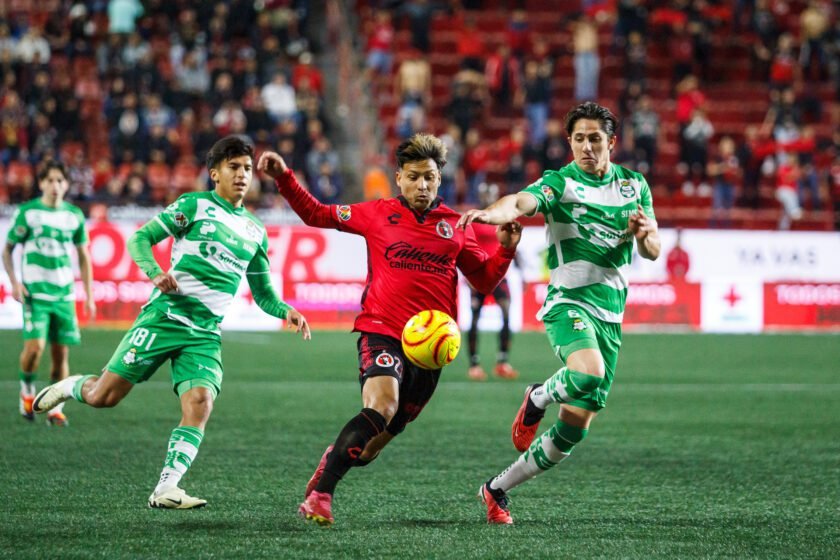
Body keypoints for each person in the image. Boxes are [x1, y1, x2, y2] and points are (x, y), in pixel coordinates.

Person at [32, 136, 311, 509]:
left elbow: (263, 294)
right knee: (104, 397)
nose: (243, 175)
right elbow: (141, 239)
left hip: (205, 333)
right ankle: (72, 385)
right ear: (214, 173)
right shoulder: (194, 206)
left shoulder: (255, 231)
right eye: (234, 167)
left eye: (247, 168)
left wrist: (286, 311)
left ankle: (167, 487)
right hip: (166, 316)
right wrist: (155, 272)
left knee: (200, 400)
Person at [258, 133, 522, 525]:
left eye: (430, 178)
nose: (422, 185)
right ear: (398, 177)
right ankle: (321, 496)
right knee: (381, 406)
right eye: (414, 177)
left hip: (432, 350)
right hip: (381, 330)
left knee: (369, 449)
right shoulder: (376, 213)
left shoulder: (455, 225)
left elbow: (483, 282)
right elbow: (316, 213)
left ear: (440, 179)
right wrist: (284, 177)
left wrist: (505, 249)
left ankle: (333, 459)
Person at [458, 102, 660, 524]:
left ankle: (496, 490)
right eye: (579, 139)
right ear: (569, 142)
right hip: (568, 302)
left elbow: (652, 249)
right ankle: (535, 397)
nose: (587, 147)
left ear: (612, 142)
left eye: (595, 139)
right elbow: (520, 202)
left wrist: (644, 236)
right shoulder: (561, 183)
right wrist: (489, 214)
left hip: (610, 316)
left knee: (574, 429)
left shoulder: (634, 186)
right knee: (587, 373)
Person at [2, 160, 95, 426]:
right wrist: (15, 282)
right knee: (34, 348)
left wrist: (88, 295)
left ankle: (55, 409)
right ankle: (27, 394)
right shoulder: (29, 213)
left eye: (60, 181)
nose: (55, 185)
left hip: (64, 295)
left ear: (66, 185)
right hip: (35, 294)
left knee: (60, 355)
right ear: (41, 183)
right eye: (50, 180)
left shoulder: (73, 215)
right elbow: (7, 250)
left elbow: (84, 257)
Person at [466, 221, 518, 382]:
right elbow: (465, 247)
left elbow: (513, 244)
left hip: (499, 276)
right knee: (474, 319)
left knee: (506, 314)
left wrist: (520, 268)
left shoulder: (503, 217)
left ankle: (503, 362)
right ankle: (474, 365)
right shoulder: (473, 220)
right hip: (479, 275)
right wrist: (468, 273)